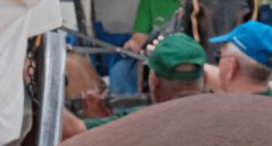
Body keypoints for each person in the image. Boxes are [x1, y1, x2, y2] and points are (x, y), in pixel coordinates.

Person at [75, 33, 206, 132]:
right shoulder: (222, 114)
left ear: (153, 81)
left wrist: (97, 120)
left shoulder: (138, 121)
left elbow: (72, 130)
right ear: (204, 80)